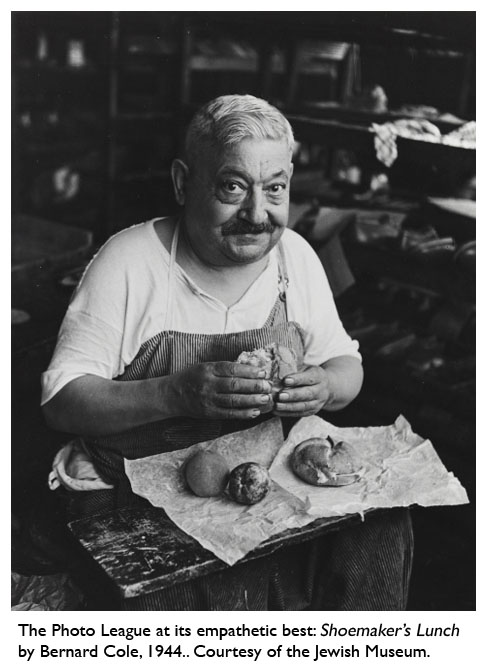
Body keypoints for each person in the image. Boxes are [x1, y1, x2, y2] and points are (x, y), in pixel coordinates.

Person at [42, 94, 413, 610]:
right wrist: (173, 393)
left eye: (275, 188)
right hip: (137, 493)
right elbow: (62, 401)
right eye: (233, 187)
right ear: (182, 183)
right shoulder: (128, 262)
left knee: (379, 533)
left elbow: (346, 366)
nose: (257, 215)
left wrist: (326, 385)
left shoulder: (295, 258)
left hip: (262, 486)